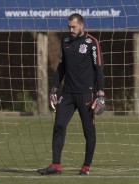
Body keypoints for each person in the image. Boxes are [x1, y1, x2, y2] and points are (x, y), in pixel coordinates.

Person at [37, 13, 105, 175]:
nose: (71, 30)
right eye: (69, 27)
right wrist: (54, 88)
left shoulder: (92, 43)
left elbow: (99, 68)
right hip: (67, 94)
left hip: (86, 95)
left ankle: (86, 167)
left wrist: (100, 94)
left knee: (88, 131)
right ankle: (56, 166)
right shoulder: (65, 41)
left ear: (82, 25)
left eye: (73, 27)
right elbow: (61, 67)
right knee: (59, 125)